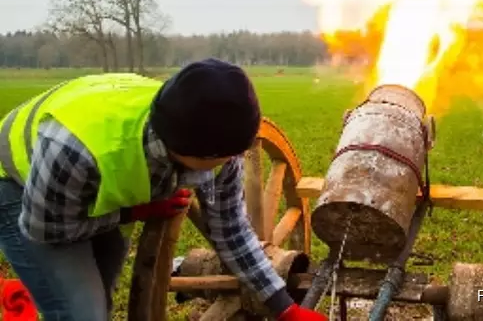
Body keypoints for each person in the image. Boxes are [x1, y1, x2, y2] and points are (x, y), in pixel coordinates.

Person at [0, 58, 326, 321]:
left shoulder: (216, 137)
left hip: (89, 188)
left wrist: (285, 307)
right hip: (22, 185)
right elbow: (47, 230)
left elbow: (231, 231)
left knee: (102, 295)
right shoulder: (73, 150)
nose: (233, 162)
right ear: (189, 151)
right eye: (223, 158)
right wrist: (132, 213)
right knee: (81, 312)